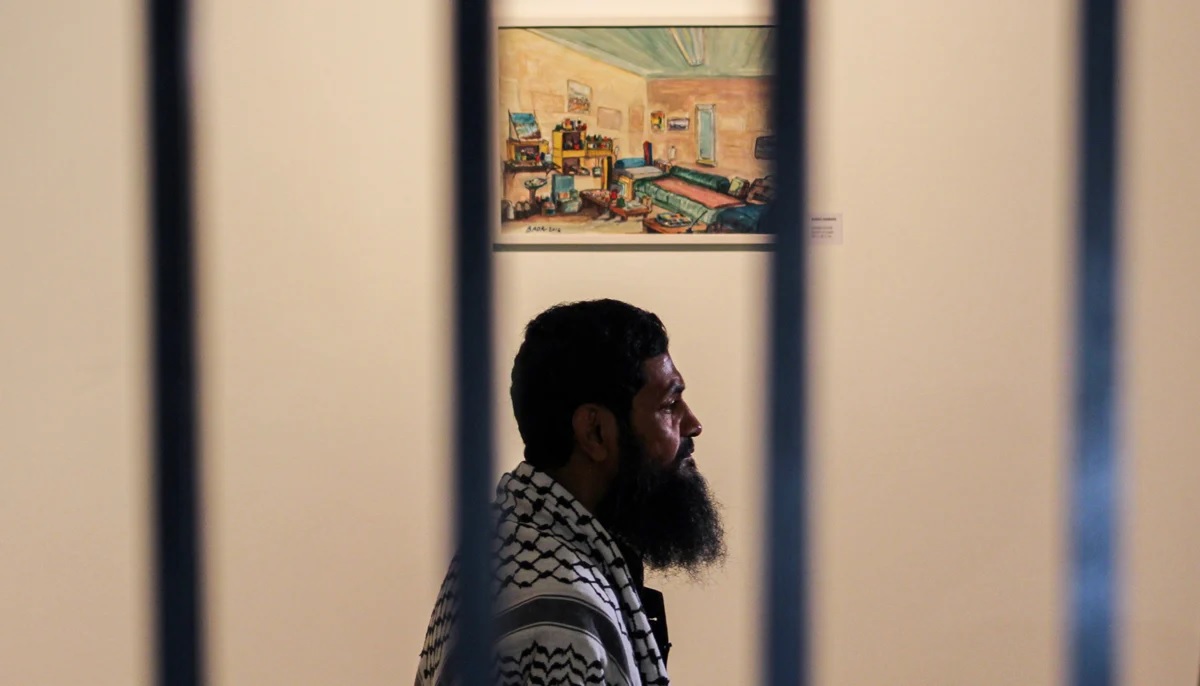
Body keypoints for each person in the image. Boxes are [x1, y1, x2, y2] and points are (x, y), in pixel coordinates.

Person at [415, 299, 726, 686]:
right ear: (595, 432)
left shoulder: (515, 535)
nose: (692, 424)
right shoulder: (560, 621)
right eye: (669, 403)